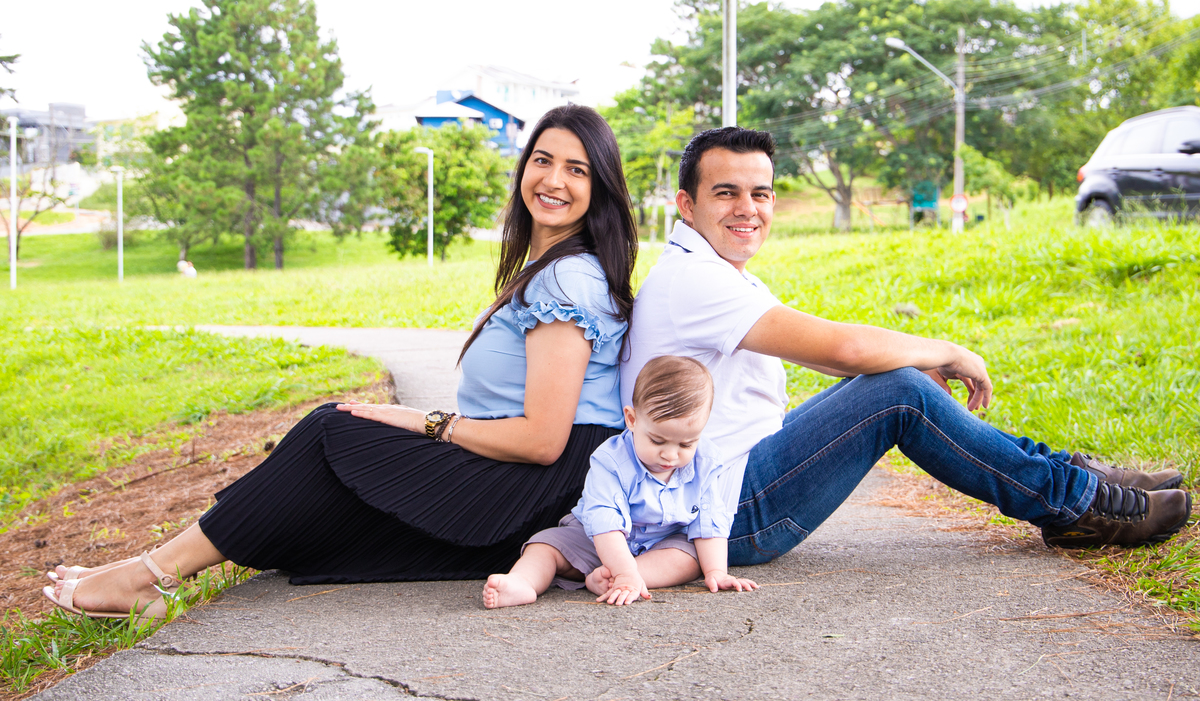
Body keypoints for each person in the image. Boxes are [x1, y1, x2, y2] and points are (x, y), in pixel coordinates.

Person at [42, 104, 641, 621]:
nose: (553, 180)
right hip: (522, 479)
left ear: (601, 188)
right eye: (542, 160)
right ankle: (148, 570)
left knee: (333, 430)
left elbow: (542, 440)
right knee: (340, 463)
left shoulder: (566, 279)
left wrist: (428, 422)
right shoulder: (552, 270)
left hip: (537, 486)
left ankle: (149, 574)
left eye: (576, 169)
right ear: (522, 168)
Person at [620, 126, 1191, 568]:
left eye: (760, 193)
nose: (748, 208)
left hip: (732, 484)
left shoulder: (711, 269)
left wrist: (907, 367)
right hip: (725, 517)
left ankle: (1077, 477)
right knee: (898, 392)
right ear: (687, 205)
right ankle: (1076, 505)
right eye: (726, 193)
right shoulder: (693, 280)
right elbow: (842, 348)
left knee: (896, 383)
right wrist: (943, 352)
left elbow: (829, 356)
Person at [482, 356, 758, 609]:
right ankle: (523, 582)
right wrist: (623, 569)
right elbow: (605, 521)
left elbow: (708, 520)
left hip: (660, 543)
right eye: (657, 440)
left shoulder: (705, 461)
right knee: (545, 546)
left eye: (686, 444)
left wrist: (716, 572)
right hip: (597, 539)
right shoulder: (611, 461)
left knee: (689, 559)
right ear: (632, 419)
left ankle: (619, 579)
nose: (670, 455)